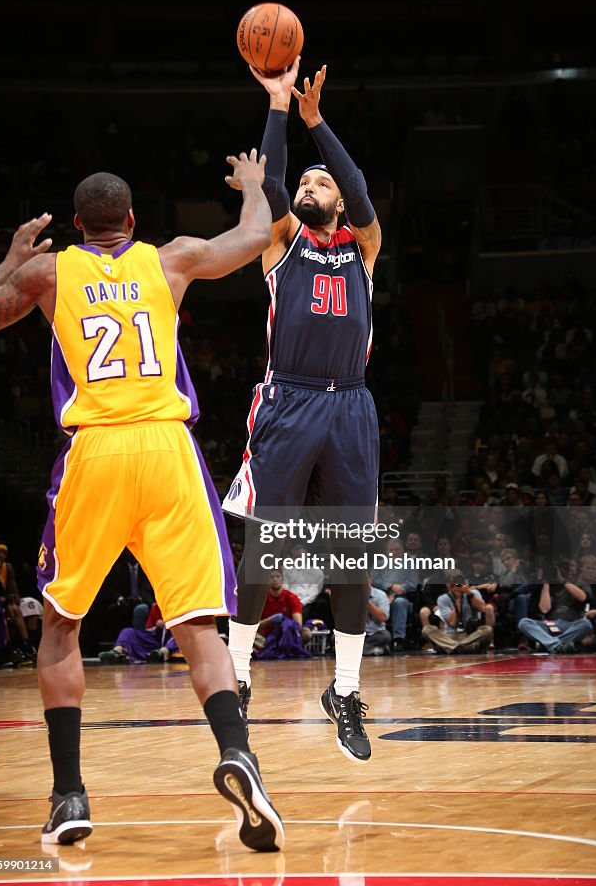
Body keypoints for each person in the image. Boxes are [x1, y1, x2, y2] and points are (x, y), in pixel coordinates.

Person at [0, 156, 284, 853]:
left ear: (78, 226)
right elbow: (255, 236)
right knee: (198, 626)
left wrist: (7, 264)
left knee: (59, 626)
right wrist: (256, 186)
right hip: (169, 450)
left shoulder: (47, 274)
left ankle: (69, 795)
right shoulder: (172, 259)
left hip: (96, 453)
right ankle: (237, 753)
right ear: (133, 222)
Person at [222, 60, 382, 762]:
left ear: (341, 204)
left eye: (325, 184)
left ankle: (344, 692)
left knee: (352, 559)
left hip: (348, 407)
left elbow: (358, 188)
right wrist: (281, 106)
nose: (313, 188)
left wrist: (320, 122)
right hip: (286, 399)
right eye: (308, 184)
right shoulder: (282, 247)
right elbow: (278, 184)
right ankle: (235, 678)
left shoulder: (363, 249)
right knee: (263, 550)